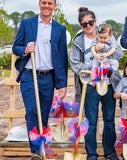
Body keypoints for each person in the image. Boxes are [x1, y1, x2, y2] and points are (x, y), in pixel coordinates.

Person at [12, 0, 68, 159]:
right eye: (44, 2)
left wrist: (62, 84)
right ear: (39, 4)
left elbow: (63, 57)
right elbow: (16, 47)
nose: (46, 6)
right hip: (29, 75)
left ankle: (43, 147)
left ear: (54, 6)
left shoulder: (60, 29)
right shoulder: (26, 23)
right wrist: (24, 49)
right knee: (31, 111)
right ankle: (36, 151)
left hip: (48, 77)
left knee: (43, 114)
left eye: (50, 3)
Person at [69, 7, 122, 160]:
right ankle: (91, 153)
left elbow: (118, 54)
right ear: (81, 25)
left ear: (95, 22)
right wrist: (93, 70)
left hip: (109, 83)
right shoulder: (78, 41)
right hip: (90, 85)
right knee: (91, 121)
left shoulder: (107, 34)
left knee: (109, 120)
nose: (88, 26)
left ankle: (109, 151)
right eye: (84, 24)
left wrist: (104, 47)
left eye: (90, 22)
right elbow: (75, 63)